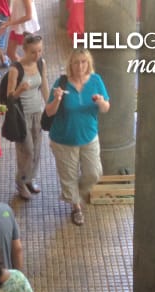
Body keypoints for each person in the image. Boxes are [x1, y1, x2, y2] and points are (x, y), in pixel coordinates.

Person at [45, 48, 110, 226]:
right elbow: (49, 112)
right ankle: (76, 207)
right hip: (63, 139)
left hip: (89, 136)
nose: (80, 66)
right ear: (70, 65)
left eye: (84, 62)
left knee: (94, 173)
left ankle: (75, 194)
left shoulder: (96, 81)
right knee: (69, 176)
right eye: (76, 62)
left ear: (89, 64)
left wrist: (101, 102)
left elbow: (106, 108)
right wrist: (57, 99)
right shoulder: (62, 83)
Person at [3, 33, 49, 199]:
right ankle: (21, 181)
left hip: (37, 112)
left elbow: (44, 86)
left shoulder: (41, 63)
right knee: (26, 150)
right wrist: (20, 90)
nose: (37, 55)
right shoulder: (15, 69)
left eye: (40, 51)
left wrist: (49, 106)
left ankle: (30, 178)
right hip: (21, 116)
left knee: (37, 149)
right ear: (24, 50)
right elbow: (10, 96)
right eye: (33, 52)